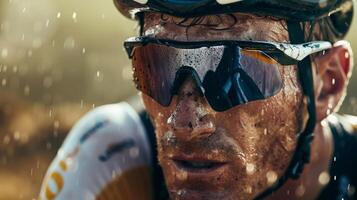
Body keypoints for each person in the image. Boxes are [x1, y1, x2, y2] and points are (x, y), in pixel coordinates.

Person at [39, 0, 357, 199]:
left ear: (328, 83)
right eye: (157, 66)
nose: (185, 121)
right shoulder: (113, 158)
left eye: (234, 72)